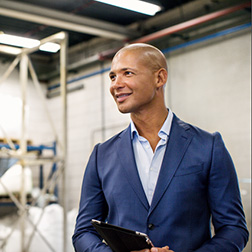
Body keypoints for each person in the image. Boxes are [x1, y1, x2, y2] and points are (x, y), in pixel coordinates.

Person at [72, 43, 249, 252]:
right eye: (112, 77)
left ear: (160, 78)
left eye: (127, 73)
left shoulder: (208, 147)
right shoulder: (102, 155)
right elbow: (83, 232)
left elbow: (233, 228)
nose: (116, 84)